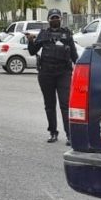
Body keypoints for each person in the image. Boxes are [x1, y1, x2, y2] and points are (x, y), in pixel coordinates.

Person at [28, 8, 79, 145]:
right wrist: (30, 41)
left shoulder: (67, 34)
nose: (55, 20)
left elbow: (74, 54)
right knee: (49, 105)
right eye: (53, 18)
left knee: (65, 105)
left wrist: (81, 68)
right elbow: (33, 52)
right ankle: (53, 132)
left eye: (57, 17)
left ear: (60, 20)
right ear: (49, 20)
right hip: (46, 74)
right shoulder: (43, 34)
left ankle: (69, 135)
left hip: (63, 73)